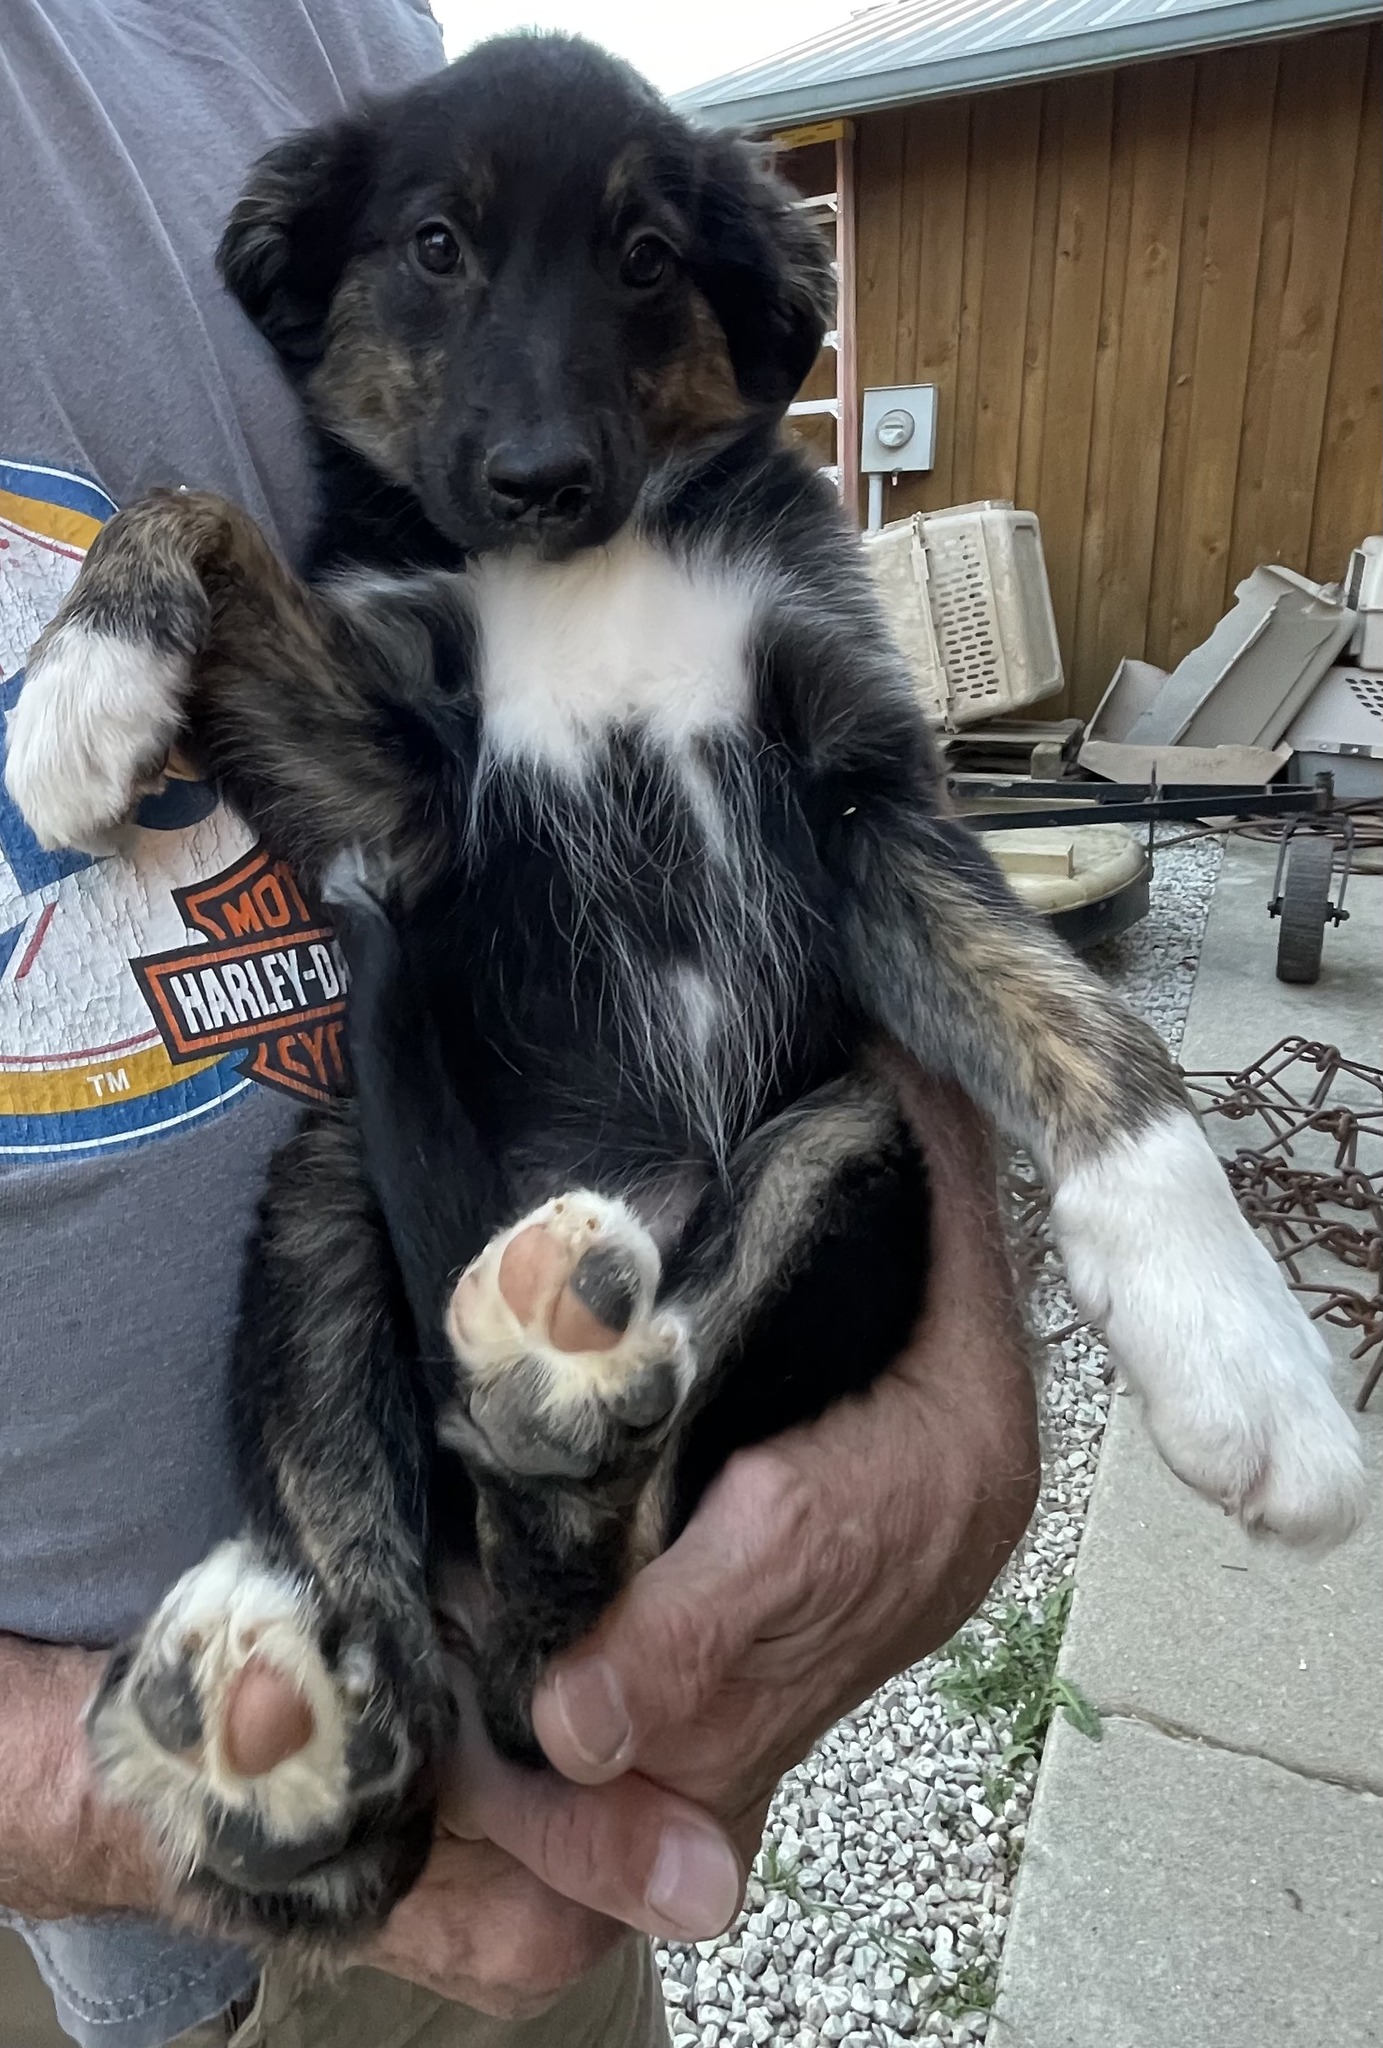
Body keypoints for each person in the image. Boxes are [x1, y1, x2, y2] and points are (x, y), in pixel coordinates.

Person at [0, 3, 1041, 2044]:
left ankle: (542, 1514)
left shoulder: (329, 36)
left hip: (537, 1822)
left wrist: (953, 1313)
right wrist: (75, 1788)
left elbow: (739, 727)